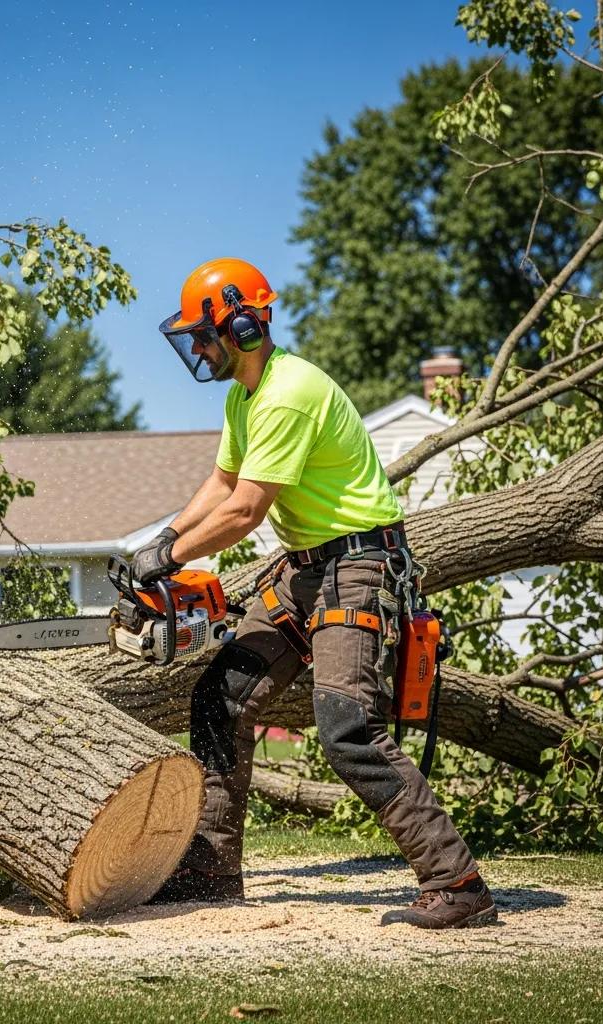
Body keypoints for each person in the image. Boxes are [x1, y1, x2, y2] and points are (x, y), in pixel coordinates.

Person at [130, 257, 496, 929]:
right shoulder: (245, 395)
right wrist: (161, 543)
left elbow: (243, 512)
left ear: (240, 325)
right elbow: (220, 484)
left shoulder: (288, 390)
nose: (199, 350)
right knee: (221, 696)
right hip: (306, 569)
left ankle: (458, 881)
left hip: (359, 565)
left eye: (204, 335)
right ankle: (209, 868)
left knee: (346, 725)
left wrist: (173, 555)